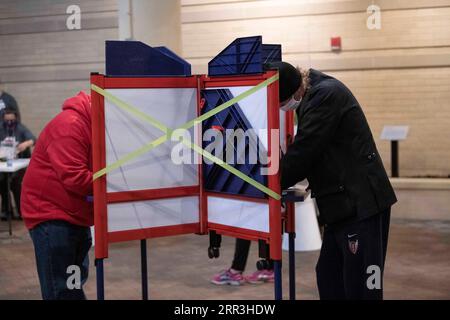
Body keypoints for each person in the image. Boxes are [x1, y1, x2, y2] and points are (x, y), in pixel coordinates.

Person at [268, 61, 397, 300]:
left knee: (363, 286)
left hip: (361, 204)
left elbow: (306, 150)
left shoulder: (325, 95)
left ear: (296, 91)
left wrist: (267, 182)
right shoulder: (311, 94)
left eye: (282, 103)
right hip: (340, 205)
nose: (283, 108)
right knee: (329, 276)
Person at [21, 91, 93, 300]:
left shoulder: (92, 124)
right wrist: (113, 185)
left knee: (74, 282)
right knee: (61, 288)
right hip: (51, 214)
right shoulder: (70, 125)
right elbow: (75, 177)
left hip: (74, 213)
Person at [0, 108, 35, 219]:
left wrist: (25, 144)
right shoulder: (1, 128)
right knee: (3, 184)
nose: (9, 123)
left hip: (19, 162)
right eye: (7, 120)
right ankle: (6, 211)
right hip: (4, 163)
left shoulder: (20, 128)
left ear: (16, 119)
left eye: (12, 120)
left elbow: (33, 139)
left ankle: (21, 211)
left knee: (17, 186)